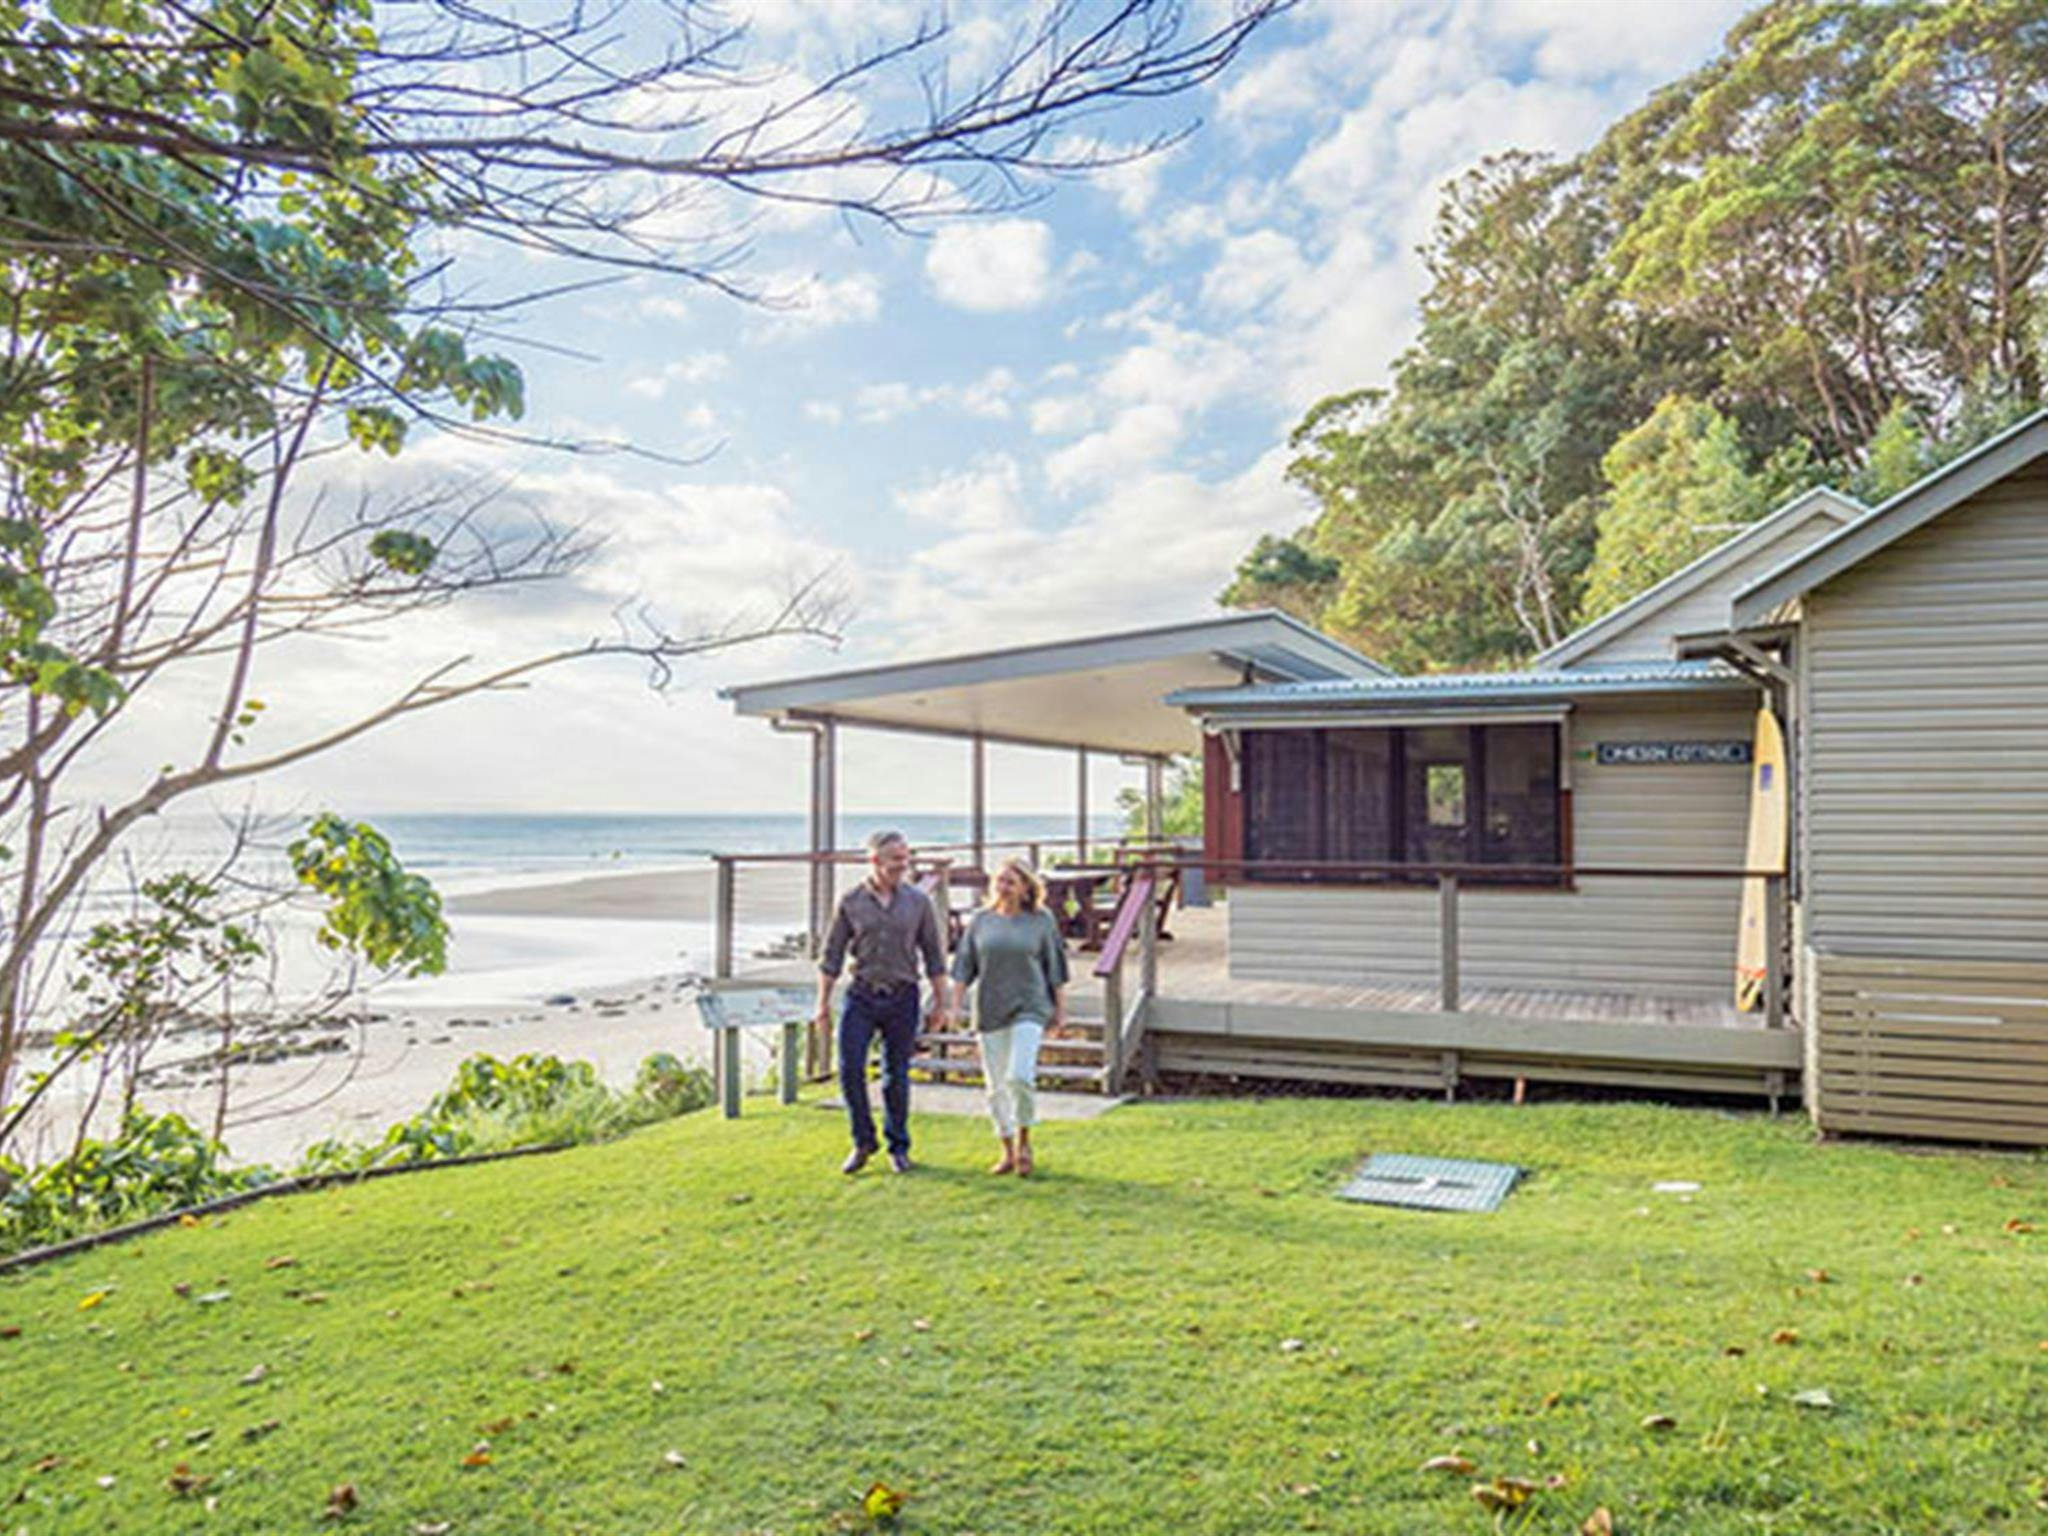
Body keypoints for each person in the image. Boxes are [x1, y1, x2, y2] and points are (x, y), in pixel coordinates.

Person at [815, 829, 949, 1174]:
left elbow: (935, 955)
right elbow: (830, 957)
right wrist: (822, 1005)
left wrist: (942, 1004)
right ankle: (863, 1141)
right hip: (861, 994)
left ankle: (898, 1146)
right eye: (895, 859)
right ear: (874, 861)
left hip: (903, 995)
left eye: (906, 859)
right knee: (849, 1069)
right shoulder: (851, 901)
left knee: (896, 1075)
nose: (902, 866)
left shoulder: (918, 902)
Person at [949, 857, 1069, 1177]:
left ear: (1026, 888)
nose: (1003, 887)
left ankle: (1025, 1141)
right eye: (1000, 880)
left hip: (1030, 1005)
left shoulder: (1041, 921)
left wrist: (1060, 1011)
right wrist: (955, 1007)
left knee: (1019, 1076)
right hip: (990, 1008)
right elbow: (963, 966)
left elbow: (1055, 967)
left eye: (1011, 882)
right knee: (995, 1086)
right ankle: (1006, 1148)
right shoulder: (981, 921)